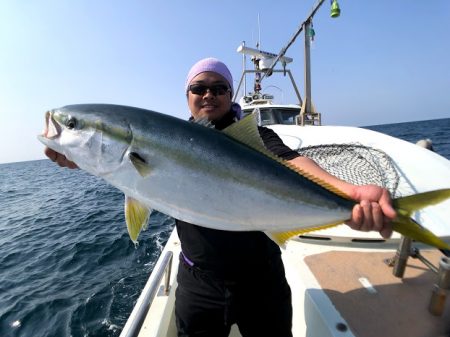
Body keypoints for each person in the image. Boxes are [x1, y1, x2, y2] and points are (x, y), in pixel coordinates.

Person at [44, 58, 396, 337]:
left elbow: (291, 161)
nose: (209, 95)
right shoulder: (167, 140)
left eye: (219, 88)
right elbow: (124, 168)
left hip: (262, 281)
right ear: (187, 96)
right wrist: (82, 156)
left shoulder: (255, 137)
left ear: (231, 95)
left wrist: (347, 195)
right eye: (199, 88)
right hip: (199, 283)